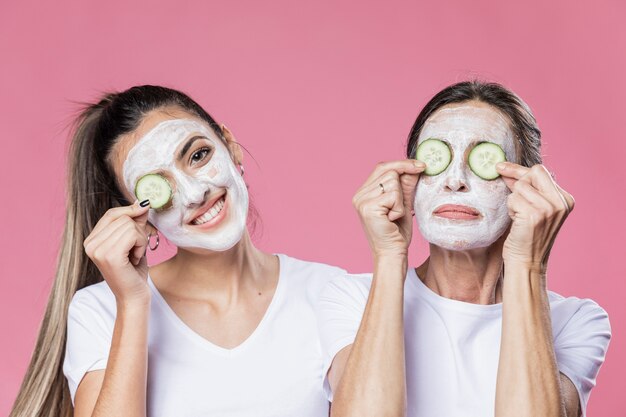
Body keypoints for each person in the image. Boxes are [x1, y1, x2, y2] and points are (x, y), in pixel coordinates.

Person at [11, 85, 344, 417]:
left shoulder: (330, 292)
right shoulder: (102, 310)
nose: (195, 193)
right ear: (139, 214)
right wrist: (133, 303)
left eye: (198, 155)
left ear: (230, 146)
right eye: (159, 187)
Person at [317, 81, 611, 417]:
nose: (455, 179)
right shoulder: (351, 298)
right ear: (409, 181)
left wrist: (528, 265)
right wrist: (389, 257)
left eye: (481, 158)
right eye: (437, 158)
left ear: (526, 186)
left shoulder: (574, 320)